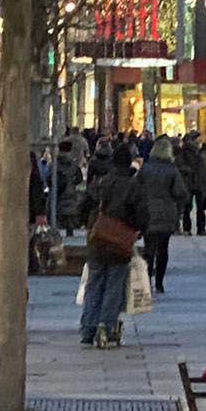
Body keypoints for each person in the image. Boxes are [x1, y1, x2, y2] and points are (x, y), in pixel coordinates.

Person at [78, 143, 148, 348]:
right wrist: (137, 230)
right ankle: (105, 325)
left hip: (98, 239)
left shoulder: (101, 182)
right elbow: (142, 215)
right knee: (114, 285)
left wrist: (90, 224)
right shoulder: (134, 186)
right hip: (120, 241)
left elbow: (83, 206)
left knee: (94, 283)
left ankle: (88, 327)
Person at [137, 137, 189, 294]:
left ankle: (147, 280)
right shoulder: (172, 170)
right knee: (163, 248)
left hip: (148, 211)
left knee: (149, 248)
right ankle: (159, 282)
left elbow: (136, 188)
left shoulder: (145, 169)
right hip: (167, 212)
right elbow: (180, 192)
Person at [177, 133, 206, 235]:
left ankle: (195, 228)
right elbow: (179, 166)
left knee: (198, 207)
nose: (201, 139)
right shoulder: (186, 151)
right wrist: (189, 171)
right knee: (190, 206)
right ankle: (193, 228)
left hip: (198, 181)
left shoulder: (202, 150)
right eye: (198, 137)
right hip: (190, 181)